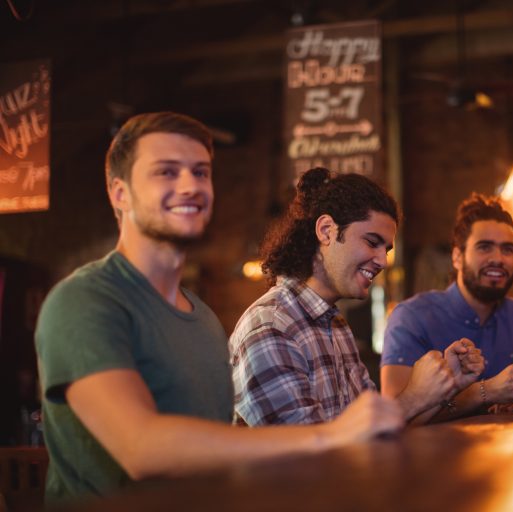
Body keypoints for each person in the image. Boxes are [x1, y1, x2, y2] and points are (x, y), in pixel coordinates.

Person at [34, 112, 404, 503]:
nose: (190, 185)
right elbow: (141, 449)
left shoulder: (204, 319)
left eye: (200, 172)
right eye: (166, 172)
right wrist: (330, 435)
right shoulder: (83, 301)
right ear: (119, 193)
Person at [229, 168, 484, 427]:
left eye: (386, 249)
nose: (383, 261)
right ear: (327, 230)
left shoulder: (335, 324)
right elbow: (307, 457)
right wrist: (415, 396)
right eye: (372, 242)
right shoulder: (271, 326)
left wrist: (445, 385)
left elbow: (374, 430)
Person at [380, 192, 513, 419]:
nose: (498, 258)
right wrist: (485, 392)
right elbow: (394, 416)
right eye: (484, 247)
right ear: (457, 257)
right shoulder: (412, 316)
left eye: (508, 249)